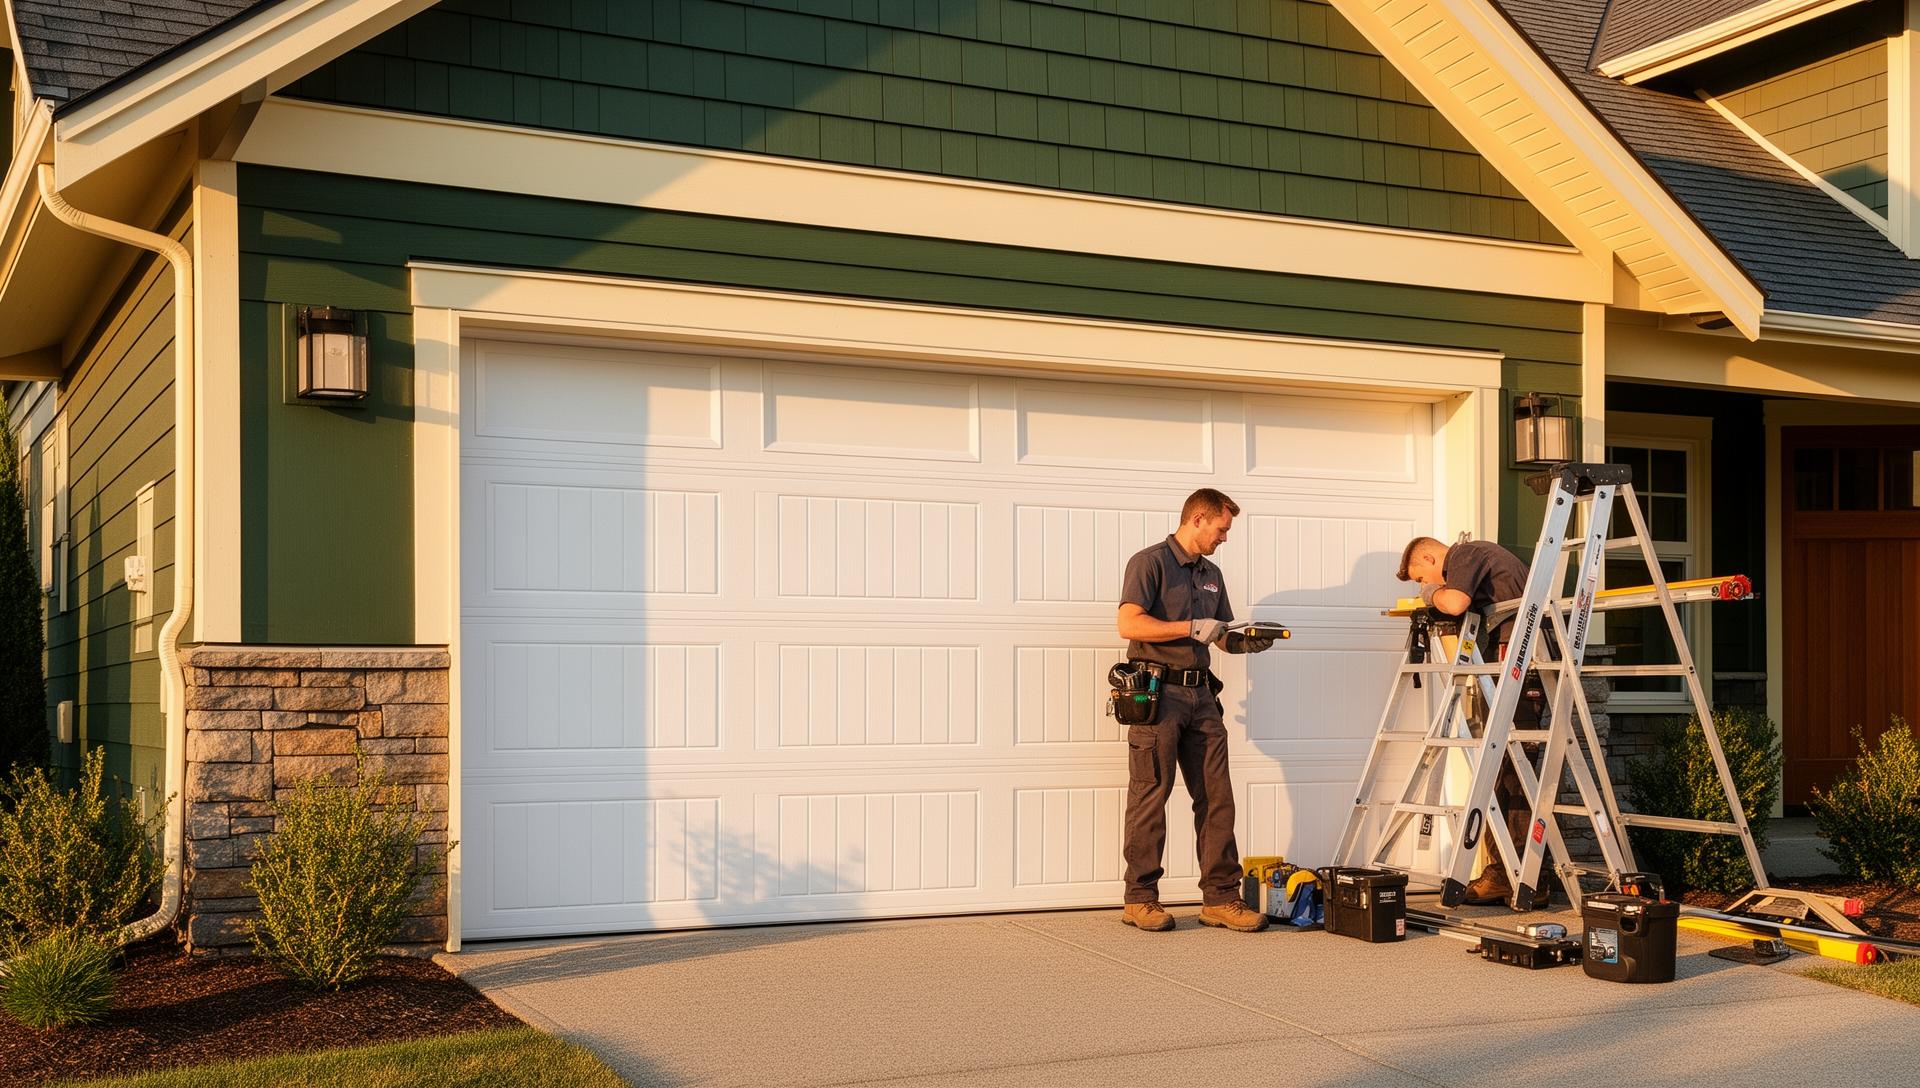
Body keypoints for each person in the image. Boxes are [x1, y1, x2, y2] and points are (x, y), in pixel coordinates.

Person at [1115, 488, 1279, 932]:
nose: (1225, 537)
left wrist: (1243, 641)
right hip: (1157, 696)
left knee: (1216, 797)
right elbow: (1128, 623)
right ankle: (1140, 898)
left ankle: (1221, 899)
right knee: (1151, 795)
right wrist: (1189, 626)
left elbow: (1220, 634)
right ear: (1199, 519)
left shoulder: (1213, 575)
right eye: (1222, 528)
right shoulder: (1149, 563)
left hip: (1202, 696)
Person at [1398, 534, 1550, 908]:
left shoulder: (1465, 554)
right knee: (1504, 769)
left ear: (1432, 557)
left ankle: (1525, 877)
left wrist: (1431, 594)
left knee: (1514, 770)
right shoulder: (1480, 559)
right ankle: (1506, 873)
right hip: (1511, 664)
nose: (1425, 584)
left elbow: (1455, 601)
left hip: (1520, 666)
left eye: (1422, 575)